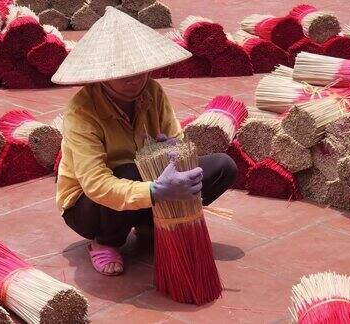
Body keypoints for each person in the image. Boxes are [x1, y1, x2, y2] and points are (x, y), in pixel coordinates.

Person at [52, 7, 237, 276]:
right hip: (90, 205)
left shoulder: (153, 92)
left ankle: (149, 222)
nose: (136, 80)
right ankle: (105, 241)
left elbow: (177, 139)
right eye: (125, 75)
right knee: (127, 171)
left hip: (150, 182)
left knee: (222, 166)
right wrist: (155, 191)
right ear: (103, 73)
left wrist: (172, 149)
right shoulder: (82, 112)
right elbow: (95, 184)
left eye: (140, 71)